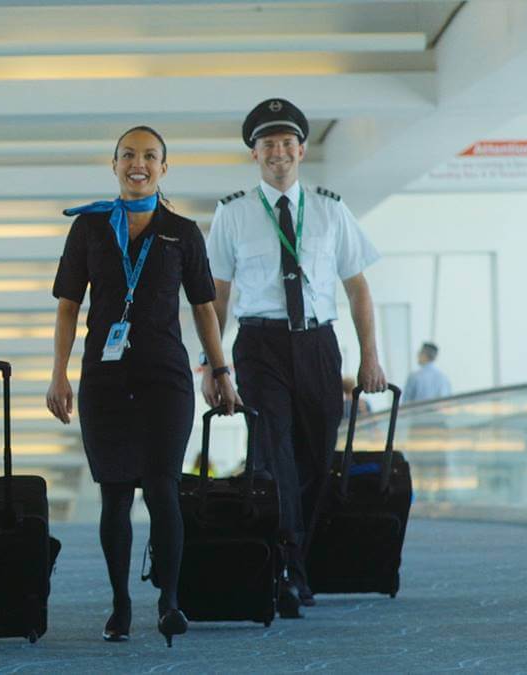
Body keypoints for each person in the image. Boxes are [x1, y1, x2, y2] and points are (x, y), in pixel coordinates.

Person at [47, 126, 239, 648]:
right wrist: (59, 372)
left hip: (165, 379)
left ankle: (170, 601)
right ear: (113, 165)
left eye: (150, 156)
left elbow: (204, 308)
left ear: (164, 168)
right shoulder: (88, 228)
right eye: (129, 155)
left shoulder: (182, 231)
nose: (139, 163)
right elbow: (68, 306)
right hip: (104, 379)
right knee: (113, 495)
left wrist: (219, 372)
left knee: (162, 489)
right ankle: (120, 605)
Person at [203, 98, 387, 617]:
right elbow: (216, 298)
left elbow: (359, 290)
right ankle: (285, 572)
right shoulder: (233, 212)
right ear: (254, 154)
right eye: (268, 145)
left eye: (287, 144)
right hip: (259, 346)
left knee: (314, 458)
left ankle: (295, 563)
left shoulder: (331, 209)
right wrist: (211, 365)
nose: (278, 153)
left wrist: (370, 358)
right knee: (274, 455)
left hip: (318, 346)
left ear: (302, 150)